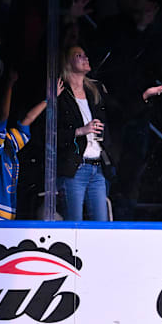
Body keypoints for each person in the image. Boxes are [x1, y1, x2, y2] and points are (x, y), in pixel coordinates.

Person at [0, 73, 61, 220]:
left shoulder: (10, 143)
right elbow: (4, 115)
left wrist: (49, 100)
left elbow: (28, 119)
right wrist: (10, 84)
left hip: (7, 211)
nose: (2, 124)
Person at [57, 45, 114, 221]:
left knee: (101, 224)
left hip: (97, 167)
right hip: (75, 168)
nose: (85, 58)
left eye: (85, 54)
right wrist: (81, 130)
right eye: (78, 55)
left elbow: (119, 111)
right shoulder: (62, 93)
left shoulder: (94, 90)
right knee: (74, 223)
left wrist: (143, 96)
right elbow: (51, 133)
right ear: (67, 62)